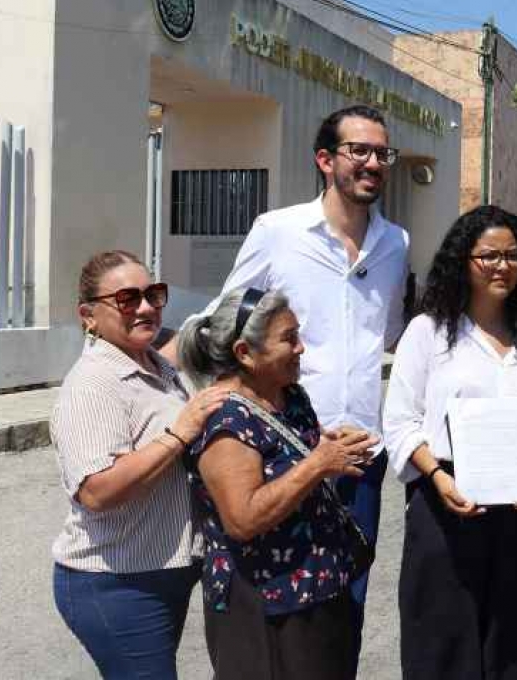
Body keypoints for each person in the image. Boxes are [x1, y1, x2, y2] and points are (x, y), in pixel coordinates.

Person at [164, 104, 408, 664]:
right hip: (283, 449)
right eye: (359, 150)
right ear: (325, 160)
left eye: (382, 153)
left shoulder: (395, 242)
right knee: (276, 609)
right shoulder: (278, 231)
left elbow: (391, 333)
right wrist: (174, 379)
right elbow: (223, 318)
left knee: (344, 612)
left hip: (360, 455)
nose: (373, 163)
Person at [382, 205, 517, 679]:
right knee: (442, 640)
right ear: (463, 260)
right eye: (489, 255)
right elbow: (400, 420)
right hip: (444, 500)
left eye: (513, 255)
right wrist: (437, 476)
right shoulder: (428, 332)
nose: (502, 265)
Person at [175, 287, 377, 679]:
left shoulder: (290, 396)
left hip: (317, 590)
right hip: (265, 605)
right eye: (288, 338)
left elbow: (298, 458)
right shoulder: (226, 422)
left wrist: (336, 449)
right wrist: (318, 464)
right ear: (244, 353)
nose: (301, 348)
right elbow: (243, 519)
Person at [50, 250, 229, 679]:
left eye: (153, 294)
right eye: (127, 299)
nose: (146, 307)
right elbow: (97, 491)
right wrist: (178, 434)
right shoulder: (93, 384)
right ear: (88, 316)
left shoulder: (158, 365)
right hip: (116, 582)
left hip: (162, 574)